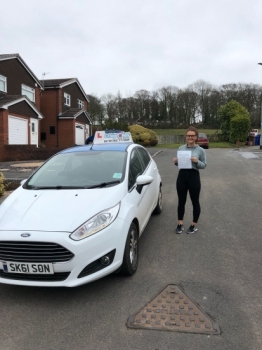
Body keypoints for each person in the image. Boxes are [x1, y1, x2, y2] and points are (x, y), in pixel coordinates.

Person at [173, 126, 207, 234]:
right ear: (186, 137)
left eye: (192, 135)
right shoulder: (181, 148)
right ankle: (180, 224)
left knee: (195, 201)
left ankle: (193, 225)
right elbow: (179, 163)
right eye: (188, 135)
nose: (190, 137)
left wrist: (196, 161)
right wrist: (176, 162)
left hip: (194, 176)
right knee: (181, 201)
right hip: (182, 175)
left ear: (196, 137)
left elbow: (204, 165)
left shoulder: (200, 150)